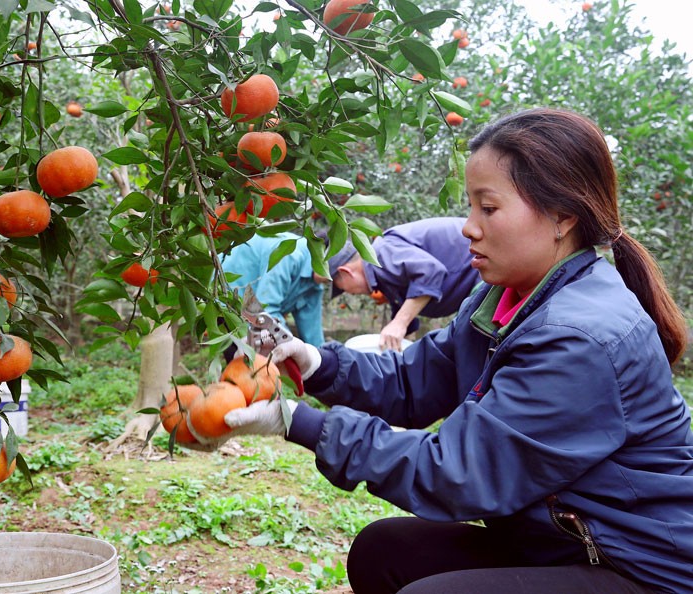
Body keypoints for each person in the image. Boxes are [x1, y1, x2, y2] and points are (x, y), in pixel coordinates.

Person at [193, 108, 693, 593]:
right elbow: (416, 380)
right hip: (556, 537)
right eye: (472, 206)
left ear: (562, 217)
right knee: (383, 551)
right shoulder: (503, 299)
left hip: (635, 563)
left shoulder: (581, 336)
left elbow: (461, 471)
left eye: (488, 208)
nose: (468, 227)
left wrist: (297, 422)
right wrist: (320, 362)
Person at [329, 217, 480, 351]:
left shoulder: (382, 252)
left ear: (346, 272)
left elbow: (430, 272)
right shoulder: (383, 278)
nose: (350, 293)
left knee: (473, 344)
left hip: (479, 262)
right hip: (474, 274)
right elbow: (405, 321)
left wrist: (399, 323)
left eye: (343, 288)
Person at [221, 231, 328, 347]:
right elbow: (266, 311)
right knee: (243, 355)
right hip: (226, 296)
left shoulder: (314, 284)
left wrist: (320, 359)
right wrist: (292, 347)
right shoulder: (290, 255)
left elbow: (312, 333)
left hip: (251, 309)